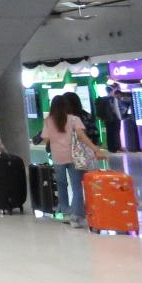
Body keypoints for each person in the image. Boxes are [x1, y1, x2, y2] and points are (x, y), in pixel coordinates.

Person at [40, 93, 108, 228]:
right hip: (74, 157)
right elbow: (82, 137)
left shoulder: (48, 121)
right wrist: (96, 149)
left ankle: (65, 212)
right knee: (76, 186)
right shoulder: (74, 119)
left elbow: (46, 139)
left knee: (61, 185)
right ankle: (76, 217)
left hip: (57, 157)